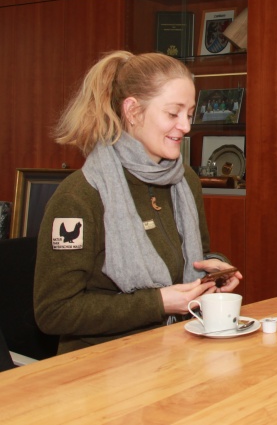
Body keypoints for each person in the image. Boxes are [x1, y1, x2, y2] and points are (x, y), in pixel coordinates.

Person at [34, 51, 243, 354]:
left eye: (189, 113)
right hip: (98, 370)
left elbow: (193, 256)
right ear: (132, 111)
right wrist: (158, 303)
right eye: (173, 114)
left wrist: (213, 274)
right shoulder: (79, 197)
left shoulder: (185, 180)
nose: (185, 127)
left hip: (174, 351)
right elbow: (54, 312)